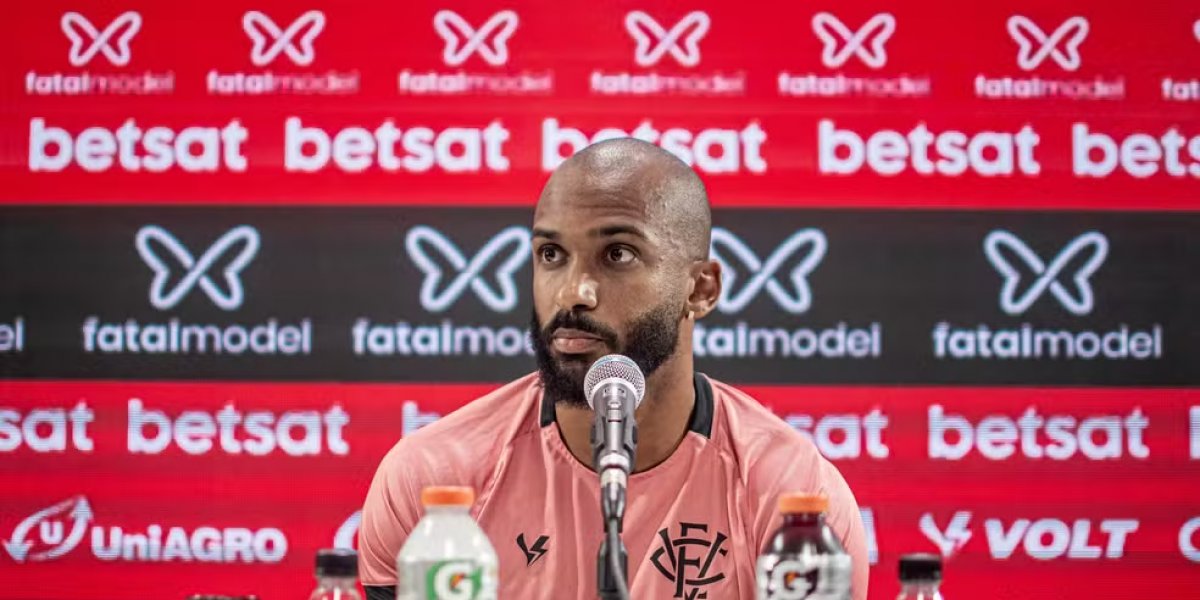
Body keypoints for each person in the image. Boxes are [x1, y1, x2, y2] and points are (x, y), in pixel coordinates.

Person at [358, 138, 869, 599]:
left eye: (618, 254)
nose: (572, 292)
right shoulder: (433, 482)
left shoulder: (794, 505)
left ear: (700, 289)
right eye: (551, 254)